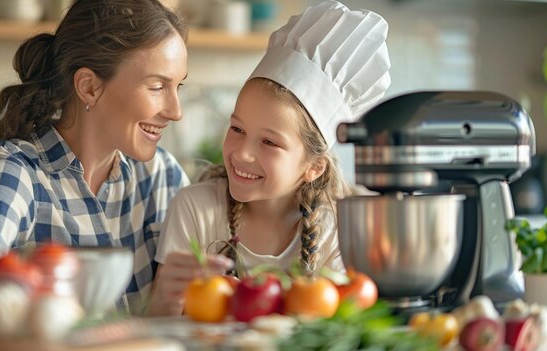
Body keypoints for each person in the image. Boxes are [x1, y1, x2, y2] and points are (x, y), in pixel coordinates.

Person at [146, 0, 392, 316]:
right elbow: (158, 326)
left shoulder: (335, 229)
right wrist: (166, 297)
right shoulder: (196, 208)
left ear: (313, 167)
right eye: (237, 128)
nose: (243, 152)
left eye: (269, 142)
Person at [0, 0, 189, 315]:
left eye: (178, 87)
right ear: (89, 87)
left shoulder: (162, 176)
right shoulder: (18, 170)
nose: (176, 111)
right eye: (157, 87)